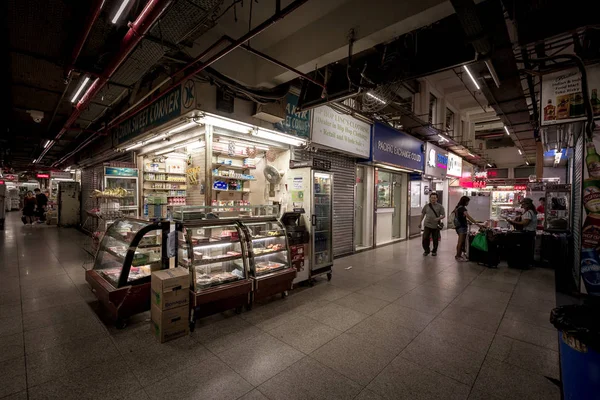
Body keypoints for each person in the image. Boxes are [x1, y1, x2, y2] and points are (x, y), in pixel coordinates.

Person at [453, 196, 480, 261]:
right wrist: (476, 223)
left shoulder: (457, 207)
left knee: (461, 241)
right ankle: (458, 256)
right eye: (467, 202)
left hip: (458, 226)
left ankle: (459, 255)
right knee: (460, 241)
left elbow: (460, 217)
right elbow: (468, 216)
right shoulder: (462, 208)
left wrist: (468, 221)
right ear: (465, 201)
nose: (468, 203)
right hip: (461, 227)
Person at [419, 192, 445, 256]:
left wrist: (438, 218)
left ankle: (434, 251)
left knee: (435, 239)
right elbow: (423, 214)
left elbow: (443, 215)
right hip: (427, 224)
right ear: (430, 198)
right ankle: (426, 250)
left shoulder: (440, 206)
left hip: (435, 225)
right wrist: (420, 222)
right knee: (425, 238)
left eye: (434, 198)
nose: (433, 199)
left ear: (437, 198)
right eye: (432, 198)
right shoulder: (426, 206)